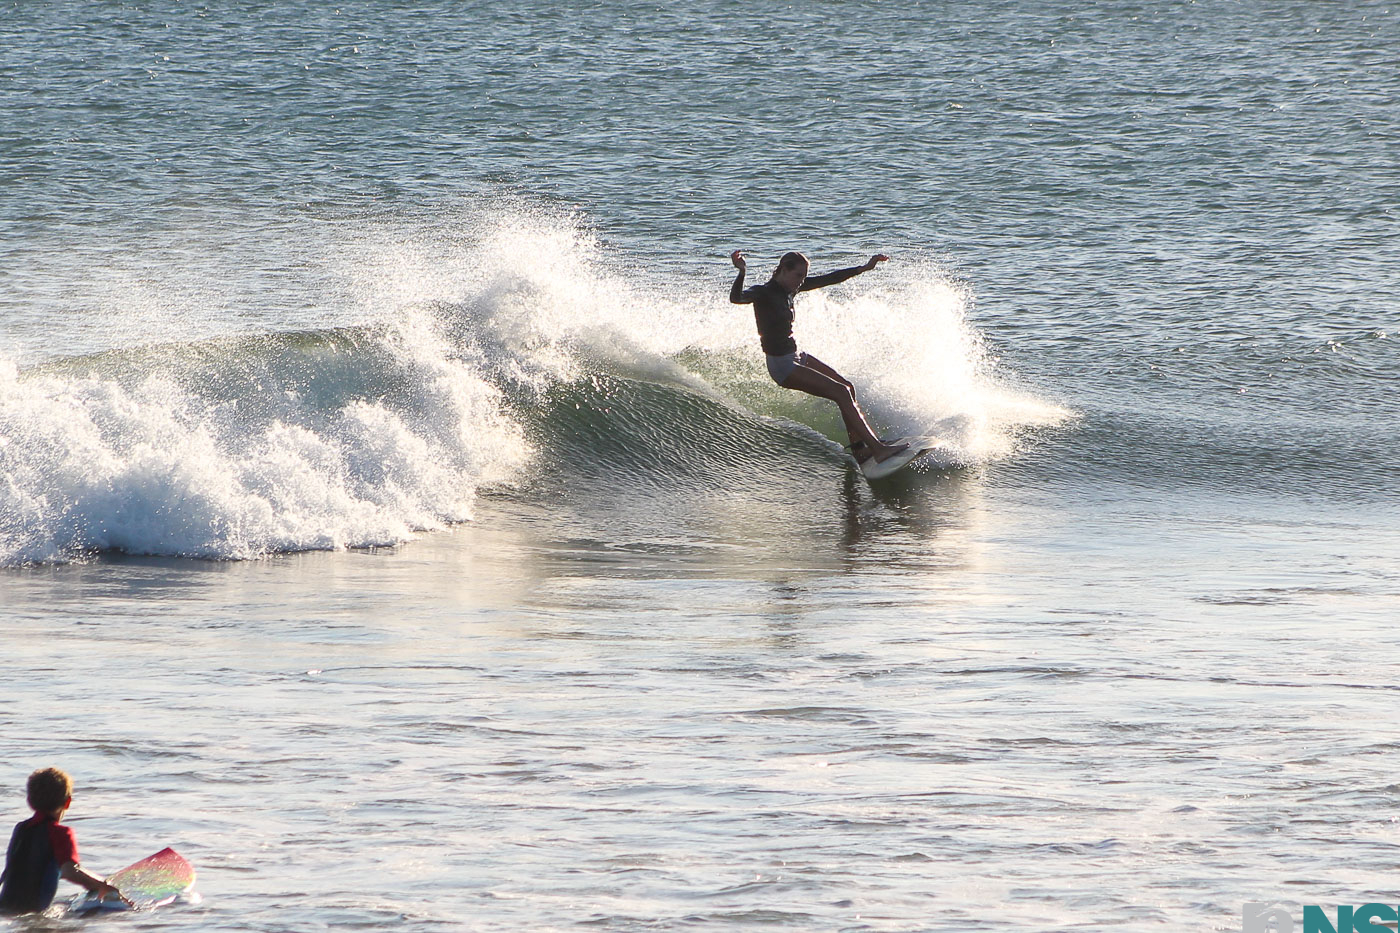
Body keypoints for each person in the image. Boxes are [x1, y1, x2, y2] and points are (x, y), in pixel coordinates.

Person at [729, 249, 907, 467]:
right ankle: (878, 450)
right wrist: (742, 272)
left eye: (804, 277)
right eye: (798, 276)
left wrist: (864, 268)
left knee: (847, 387)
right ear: (783, 270)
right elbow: (736, 298)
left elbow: (829, 279)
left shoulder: (790, 289)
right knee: (840, 392)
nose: (801, 282)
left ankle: (861, 450)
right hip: (782, 364)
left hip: (796, 355)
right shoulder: (764, 292)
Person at [0, 768, 128, 914]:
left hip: (5, 906)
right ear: (67, 802)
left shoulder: (21, 829)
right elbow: (70, 871)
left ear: (29, 801)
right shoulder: (61, 833)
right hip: (32, 911)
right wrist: (103, 885)